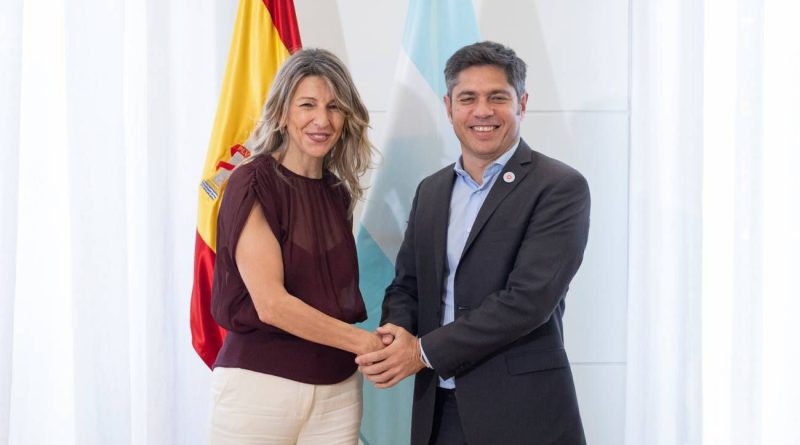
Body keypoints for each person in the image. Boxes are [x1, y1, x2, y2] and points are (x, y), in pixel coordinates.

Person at [356, 41, 590, 444]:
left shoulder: (559, 187)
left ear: (522, 104)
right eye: (468, 98)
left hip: (522, 412)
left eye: (497, 97)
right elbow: (408, 284)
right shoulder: (432, 190)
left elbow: (528, 301)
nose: (483, 111)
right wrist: (396, 332)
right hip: (438, 409)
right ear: (449, 107)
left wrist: (421, 352)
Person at [209, 48, 381, 445]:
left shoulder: (337, 193)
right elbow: (272, 304)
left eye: (334, 107)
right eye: (307, 105)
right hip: (259, 390)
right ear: (283, 112)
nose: (322, 120)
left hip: (338, 392)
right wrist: (365, 343)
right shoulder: (252, 182)